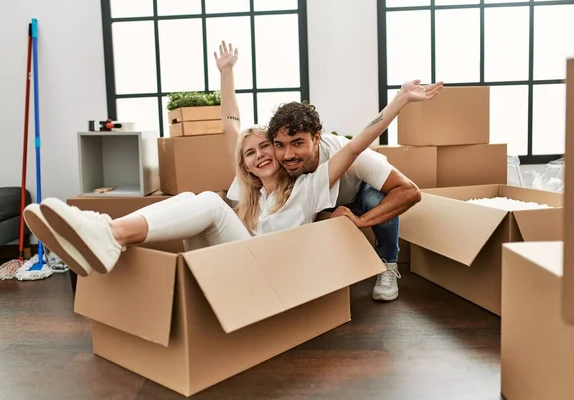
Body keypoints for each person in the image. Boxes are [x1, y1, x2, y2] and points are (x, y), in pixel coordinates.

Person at [22, 41, 443, 279]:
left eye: (268, 148)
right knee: (203, 202)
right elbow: (231, 123)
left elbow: (358, 143)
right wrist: (226, 72)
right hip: (240, 262)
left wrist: (400, 101)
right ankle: (102, 238)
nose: (261, 156)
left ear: (284, 155)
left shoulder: (312, 184)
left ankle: (108, 233)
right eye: (252, 153)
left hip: (275, 270)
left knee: (205, 201)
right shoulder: (249, 191)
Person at [227, 89, 437, 303]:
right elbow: (233, 133)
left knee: (374, 199)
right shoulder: (269, 173)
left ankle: (388, 263)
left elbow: (407, 190)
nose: (288, 154)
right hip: (322, 209)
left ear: (316, 138)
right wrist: (226, 71)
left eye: (298, 143)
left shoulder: (335, 162)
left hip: (356, 196)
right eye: (280, 145)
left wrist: (399, 101)